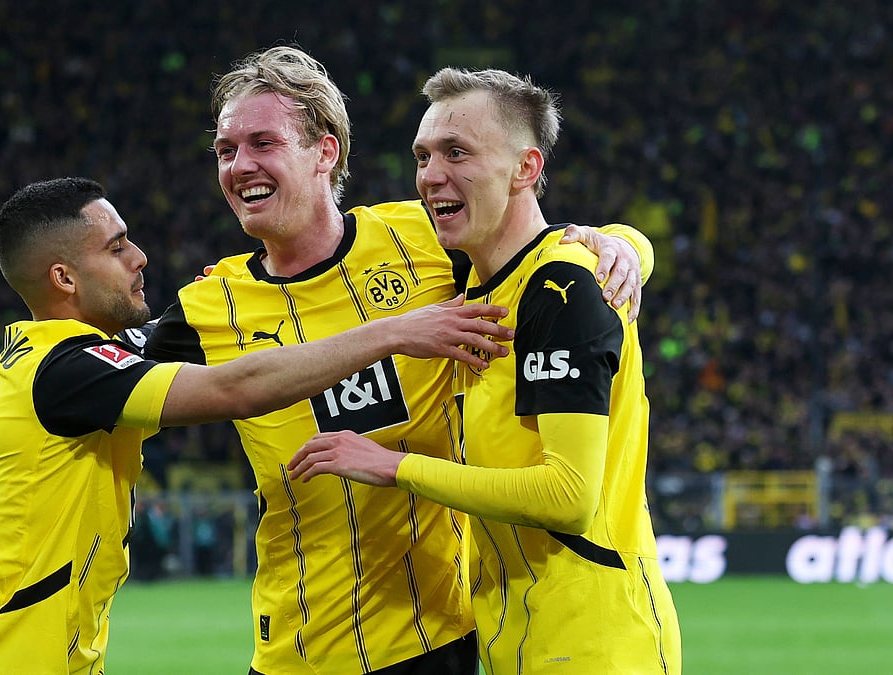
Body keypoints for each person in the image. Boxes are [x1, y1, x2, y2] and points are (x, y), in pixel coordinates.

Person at [0, 47, 653, 675]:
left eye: (263, 142)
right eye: (225, 148)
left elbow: (544, 250)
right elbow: (58, 418)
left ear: (322, 152)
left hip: (435, 633)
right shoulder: (208, 309)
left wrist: (625, 246)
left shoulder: (428, 239)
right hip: (296, 645)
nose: (238, 165)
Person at [0, 176, 513, 675]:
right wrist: (394, 332)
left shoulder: (64, 372)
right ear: (63, 276)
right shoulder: (69, 367)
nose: (139, 257)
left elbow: (15, 450)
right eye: (117, 246)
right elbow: (235, 385)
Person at [287, 66, 682, 673]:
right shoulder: (477, 284)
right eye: (422, 156)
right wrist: (626, 240)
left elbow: (569, 496)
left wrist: (393, 467)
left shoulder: (563, 288)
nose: (431, 175)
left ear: (525, 168)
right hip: (513, 635)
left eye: (457, 152)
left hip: (595, 646)